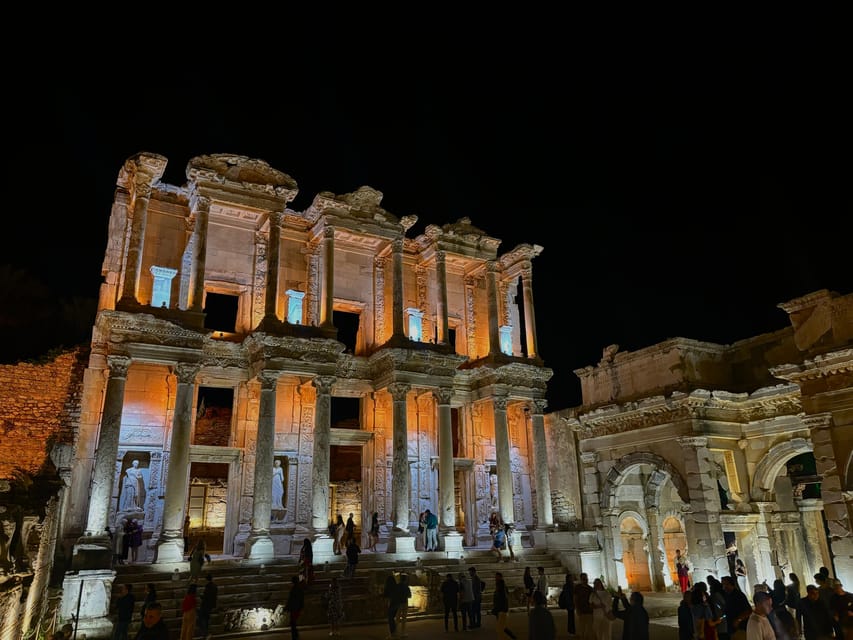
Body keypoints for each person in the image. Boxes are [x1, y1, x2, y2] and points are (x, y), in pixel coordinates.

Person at [722, 575, 753, 639]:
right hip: (732, 628)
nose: (724, 587)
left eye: (726, 584)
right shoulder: (727, 596)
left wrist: (738, 620)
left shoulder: (739, 595)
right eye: (723, 584)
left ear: (731, 584)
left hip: (741, 628)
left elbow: (748, 610)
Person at [493, 571, 518, 639]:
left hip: (501, 610)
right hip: (501, 610)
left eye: (497, 577)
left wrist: (500, 609)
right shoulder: (501, 587)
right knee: (502, 627)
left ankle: (511, 637)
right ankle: (512, 637)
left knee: (500, 628)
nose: (495, 578)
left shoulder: (501, 587)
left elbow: (502, 599)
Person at [574, 572, 595, 640]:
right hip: (582, 610)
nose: (585, 580)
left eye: (586, 578)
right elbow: (575, 598)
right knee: (582, 627)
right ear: (581, 579)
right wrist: (577, 609)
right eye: (584, 578)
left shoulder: (590, 588)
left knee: (590, 628)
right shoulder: (577, 588)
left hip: (589, 611)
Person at [284, 574, 305, 640]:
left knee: (292, 622)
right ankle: (295, 635)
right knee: (293, 622)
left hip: (294, 608)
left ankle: (295, 636)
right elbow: (301, 599)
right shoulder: (299, 588)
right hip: (297, 608)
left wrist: (286, 607)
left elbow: (291, 599)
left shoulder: (294, 589)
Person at [197, 573, 218, 640]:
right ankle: (206, 634)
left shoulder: (208, 586)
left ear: (206, 579)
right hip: (210, 606)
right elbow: (214, 597)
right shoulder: (215, 586)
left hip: (205, 605)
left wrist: (201, 596)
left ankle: (206, 634)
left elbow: (206, 597)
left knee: (202, 619)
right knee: (206, 619)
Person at [384, 572, 401, 638]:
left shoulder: (388, 587)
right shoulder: (396, 586)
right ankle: (394, 633)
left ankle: (393, 634)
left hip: (392, 603)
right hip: (397, 603)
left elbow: (385, 595)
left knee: (390, 618)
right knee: (392, 618)